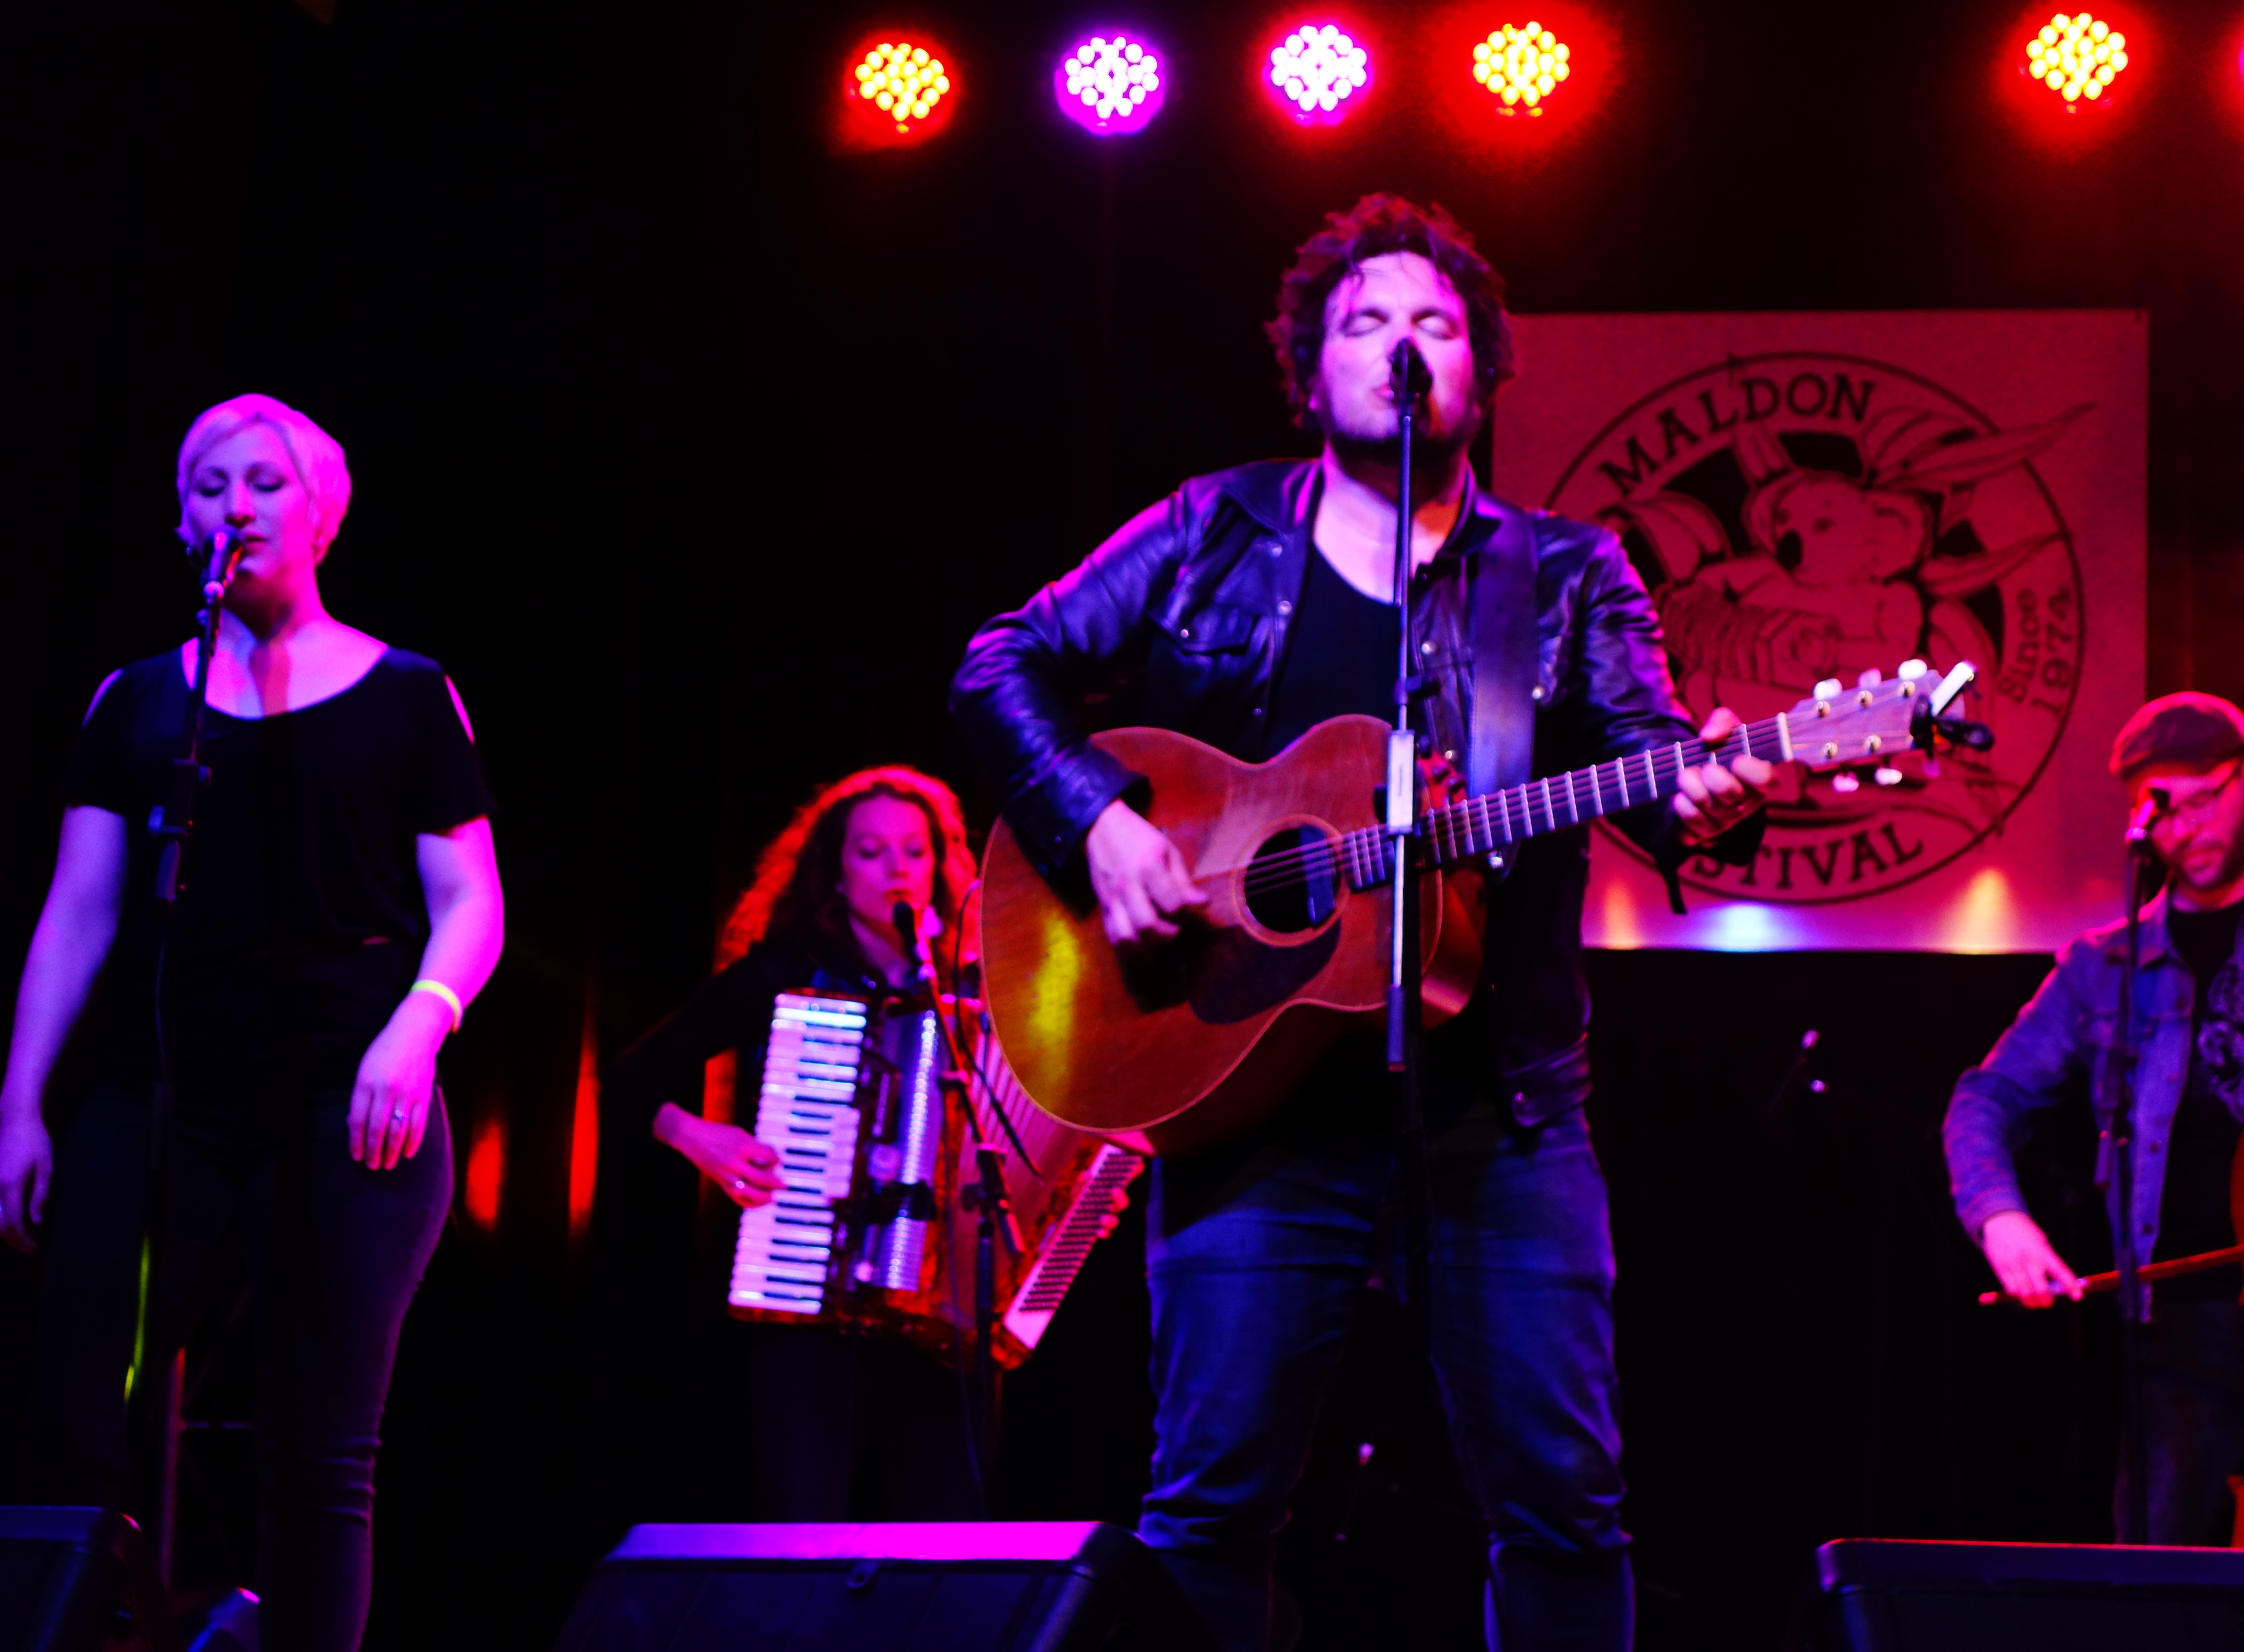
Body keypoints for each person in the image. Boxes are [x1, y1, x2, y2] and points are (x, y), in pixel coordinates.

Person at [949, 195, 1778, 1652]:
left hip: (1500, 1111)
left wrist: (1712, 793)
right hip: (1245, 1104)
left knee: (1565, 1509)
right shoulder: (1209, 531)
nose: (1403, 345)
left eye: (1436, 325)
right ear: (1310, 364)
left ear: (1481, 370)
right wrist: (1103, 822)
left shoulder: (1565, 575)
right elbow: (1000, 664)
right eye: (1367, 321)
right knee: (1211, 1508)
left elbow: (1653, 765)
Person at [0, 393, 503, 1652]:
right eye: (211, 485)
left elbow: (471, 901)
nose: (238, 506)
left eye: (266, 483)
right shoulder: (138, 701)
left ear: (321, 515)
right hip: (162, 1087)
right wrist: (20, 1107)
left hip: (346, 1098)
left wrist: (418, 1025)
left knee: (317, 1450)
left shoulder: (408, 694)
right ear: (183, 521)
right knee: (78, 1420)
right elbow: (79, 910)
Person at [608, 766, 991, 1521]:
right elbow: (629, 1079)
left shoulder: (976, 986)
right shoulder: (788, 973)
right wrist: (699, 1137)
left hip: (942, 1319)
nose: (896, 869)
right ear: (835, 871)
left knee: (942, 1540)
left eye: (914, 851)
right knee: (803, 1529)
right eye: (871, 851)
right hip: (810, 1292)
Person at [1945, 692, 2244, 1546]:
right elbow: (1986, 1097)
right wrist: (2001, 1220)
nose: (2186, 826)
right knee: (2160, 1579)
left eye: (2207, 797)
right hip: (2176, 1332)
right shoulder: (2101, 965)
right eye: (2163, 808)